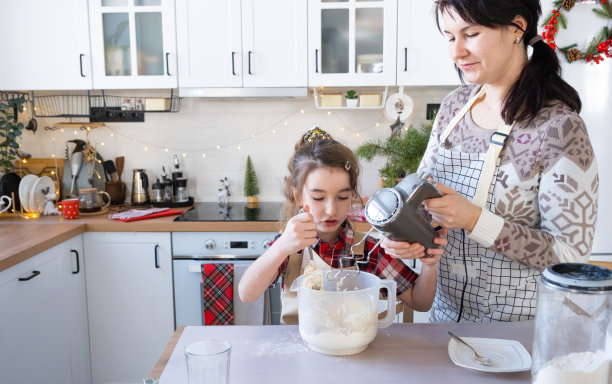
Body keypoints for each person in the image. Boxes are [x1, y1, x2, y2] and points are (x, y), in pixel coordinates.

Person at [384, 0, 598, 323]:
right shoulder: (454, 107)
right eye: (450, 37)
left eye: (471, 34)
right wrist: (404, 234)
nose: (457, 52)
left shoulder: (559, 128)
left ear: (516, 28)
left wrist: (473, 220)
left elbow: (569, 256)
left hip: (519, 333)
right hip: (443, 326)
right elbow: (420, 195)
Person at [238, 128, 447, 325]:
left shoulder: (366, 250)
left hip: (355, 352)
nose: (331, 210)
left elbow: (420, 302)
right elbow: (247, 294)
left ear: (352, 196)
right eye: (319, 197)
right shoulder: (291, 248)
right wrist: (281, 247)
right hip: (301, 356)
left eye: (342, 197)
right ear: (298, 196)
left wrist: (429, 266)